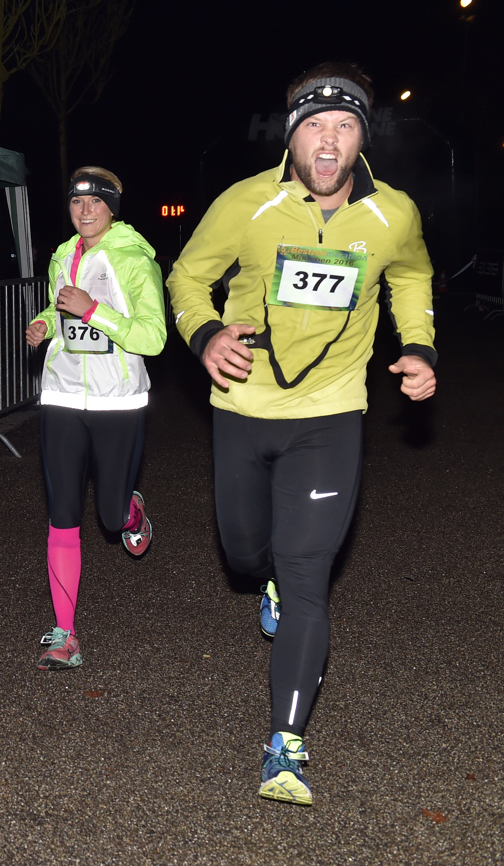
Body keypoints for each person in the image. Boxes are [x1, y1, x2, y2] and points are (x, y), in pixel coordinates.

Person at [166, 63, 436, 806]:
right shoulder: (246, 204)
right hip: (243, 409)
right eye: (316, 124)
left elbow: (411, 276)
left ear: (361, 138)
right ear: (291, 135)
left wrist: (419, 345)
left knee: (309, 573)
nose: (330, 139)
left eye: (345, 126)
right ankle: (271, 580)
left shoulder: (394, 215)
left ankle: (284, 747)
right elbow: (187, 278)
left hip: (332, 413)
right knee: (244, 552)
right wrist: (208, 334)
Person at [24, 167, 166, 671]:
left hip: (117, 401)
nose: (85, 211)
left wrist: (92, 313)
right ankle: (65, 634)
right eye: (76, 202)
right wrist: (46, 321)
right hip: (61, 395)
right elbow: (57, 304)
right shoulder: (64, 255)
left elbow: (153, 338)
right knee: (63, 512)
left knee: (107, 517)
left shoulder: (134, 262)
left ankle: (129, 510)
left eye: (95, 202)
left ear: (111, 208)